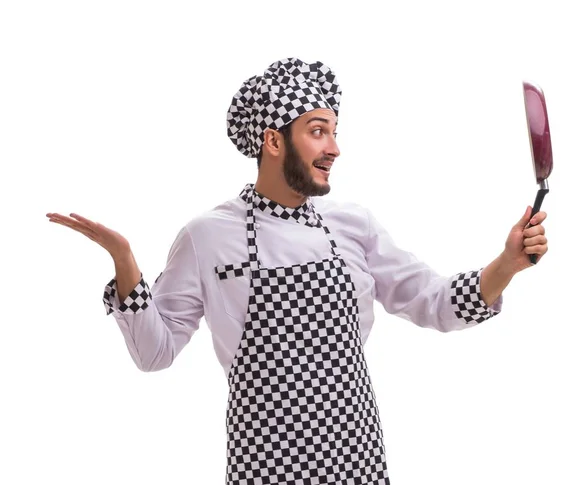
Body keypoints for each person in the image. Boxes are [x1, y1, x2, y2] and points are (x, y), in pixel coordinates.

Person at [46, 57, 548, 484]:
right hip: (263, 467)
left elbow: (434, 302)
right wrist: (127, 263)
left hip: (357, 460)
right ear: (273, 141)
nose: (334, 147)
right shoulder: (208, 236)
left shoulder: (353, 225)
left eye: (334, 131)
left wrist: (506, 265)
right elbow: (155, 352)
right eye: (317, 131)